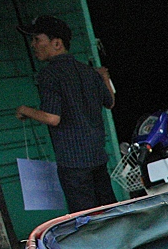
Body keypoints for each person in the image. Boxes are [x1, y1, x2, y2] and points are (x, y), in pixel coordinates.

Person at [15, 15, 117, 213]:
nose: (33, 45)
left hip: (73, 163)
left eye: (37, 39)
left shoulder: (50, 74)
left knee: (85, 218)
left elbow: (53, 118)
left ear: (57, 43)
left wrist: (24, 110)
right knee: (108, 211)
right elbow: (110, 102)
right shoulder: (88, 72)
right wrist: (104, 77)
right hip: (97, 156)